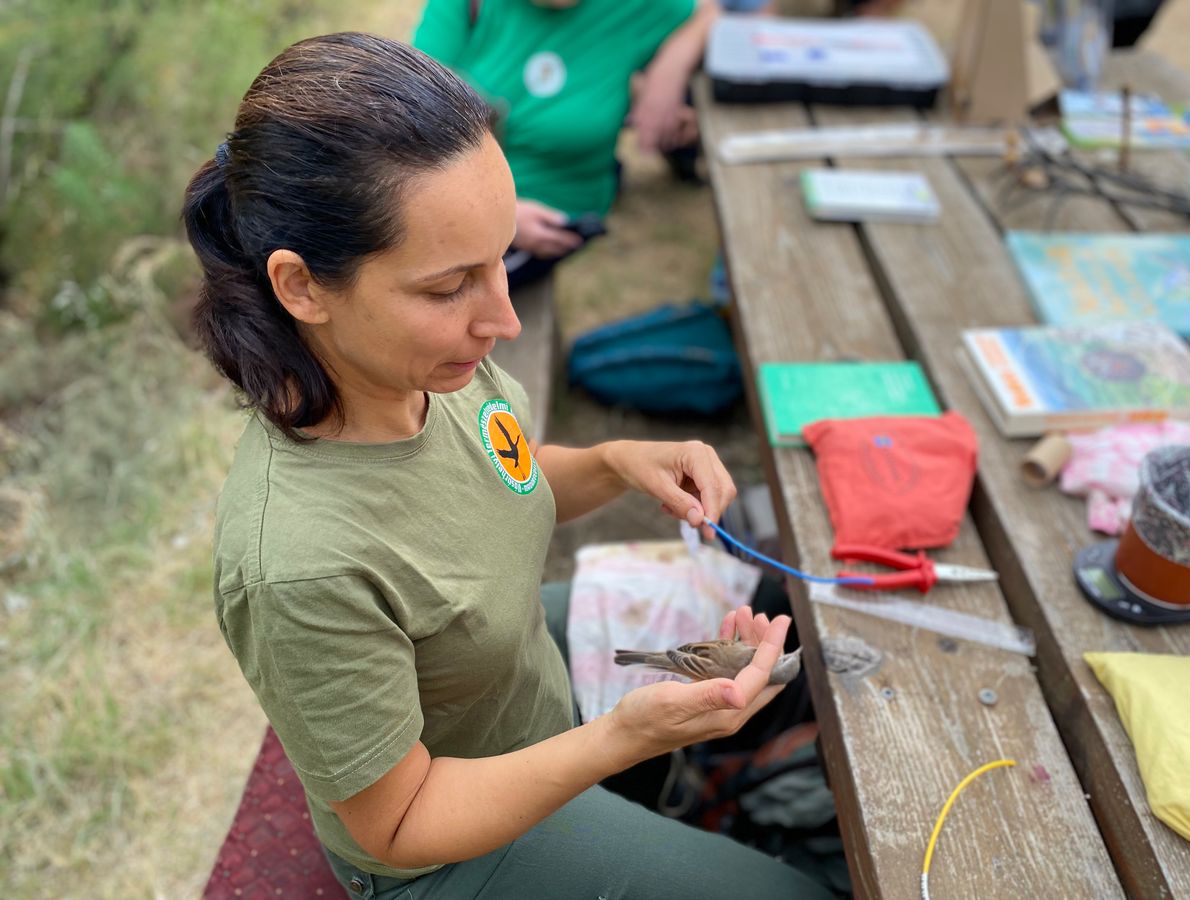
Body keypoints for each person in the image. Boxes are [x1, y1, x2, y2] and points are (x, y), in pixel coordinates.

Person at [182, 32, 833, 900]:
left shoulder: (425, 366)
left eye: (501, 262)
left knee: (761, 608)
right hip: (438, 842)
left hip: (511, 692)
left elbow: (503, 477)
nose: (503, 318)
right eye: (450, 286)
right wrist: (625, 737)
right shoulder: (298, 565)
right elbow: (399, 823)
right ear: (301, 287)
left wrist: (614, 461)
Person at [412, 0, 720, 288]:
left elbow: (709, 12)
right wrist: (498, 216)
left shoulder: (630, 8)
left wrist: (670, 70)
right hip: (453, 201)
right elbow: (412, 119)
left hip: (549, 213)